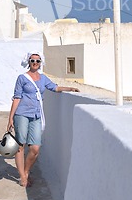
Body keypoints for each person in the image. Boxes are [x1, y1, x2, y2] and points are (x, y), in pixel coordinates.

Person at [7, 52, 79, 187]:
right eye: (33, 60)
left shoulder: (43, 78)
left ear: (41, 63)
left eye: (38, 61)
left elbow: (55, 87)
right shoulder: (22, 78)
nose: (35, 63)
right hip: (21, 114)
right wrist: (10, 117)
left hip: (36, 115)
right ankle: (22, 176)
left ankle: (26, 171)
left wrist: (70, 88)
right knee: (20, 145)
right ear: (28, 62)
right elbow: (17, 97)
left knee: (35, 148)